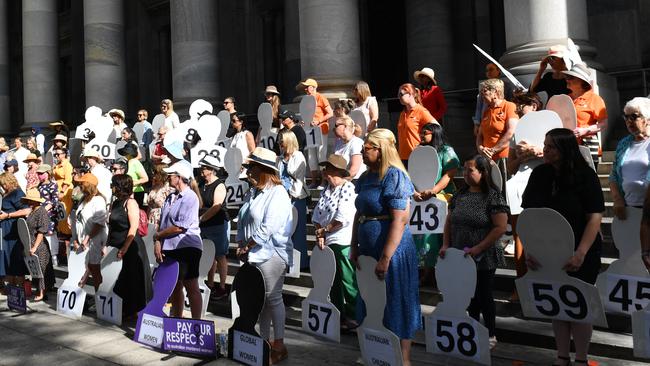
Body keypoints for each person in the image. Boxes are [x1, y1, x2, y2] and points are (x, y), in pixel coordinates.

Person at [522, 128, 604, 366]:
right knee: (557, 304)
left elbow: (595, 217)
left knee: (579, 305)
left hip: (583, 249)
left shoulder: (585, 175)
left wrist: (581, 253)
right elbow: (530, 216)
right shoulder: (540, 175)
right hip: (547, 251)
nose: (545, 150)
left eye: (551, 147)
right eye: (545, 145)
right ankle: (561, 356)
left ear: (565, 149)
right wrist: (530, 249)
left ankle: (580, 358)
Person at [351, 128, 420, 365]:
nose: (362, 151)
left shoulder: (395, 176)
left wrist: (386, 257)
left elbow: (400, 219)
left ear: (380, 151)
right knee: (370, 298)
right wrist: (354, 245)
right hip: (367, 249)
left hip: (393, 251)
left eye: (367, 148)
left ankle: (403, 359)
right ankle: (375, 352)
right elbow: (359, 213)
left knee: (395, 299)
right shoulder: (364, 178)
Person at [439, 155, 509, 350]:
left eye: (470, 170)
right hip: (460, 254)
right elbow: (449, 221)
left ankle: (491, 333)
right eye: (464, 170)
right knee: (467, 294)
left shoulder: (493, 197)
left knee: (483, 293)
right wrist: (446, 244)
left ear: (483, 172)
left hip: (484, 254)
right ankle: (472, 329)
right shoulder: (459, 195)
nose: (465, 174)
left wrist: (478, 248)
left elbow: (500, 227)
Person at [236, 147, 293, 363]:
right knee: (260, 300)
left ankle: (279, 344)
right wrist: (241, 243)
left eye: (251, 167)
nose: (248, 170)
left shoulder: (278, 193)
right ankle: (265, 340)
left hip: (272, 253)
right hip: (253, 253)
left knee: (273, 298)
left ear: (263, 169)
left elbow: (270, 226)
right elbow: (242, 220)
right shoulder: (253, 192)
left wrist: (248, 245)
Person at [312, 154, 359, 330]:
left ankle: (355, 314)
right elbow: (317, 214)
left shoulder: (348, 188)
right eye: (325, 169)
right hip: (328, 240)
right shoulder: (326, 190)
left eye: (328, 169)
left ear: (337, 171)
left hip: (343, 240)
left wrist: (324, 230)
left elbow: (343, 217)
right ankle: (339, 314)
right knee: (333, 281)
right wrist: (320, 233)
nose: (324, 172)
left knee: (348, 280)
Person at [154, 160, 204, 319]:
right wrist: (158, 242)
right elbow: (162, 224)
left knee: (191, 285)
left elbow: (180, 227)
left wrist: (159, 236)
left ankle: (197, 323)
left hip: (187, 247)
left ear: (180, 177)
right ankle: (176, 320)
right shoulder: (170, 198)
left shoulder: (191, 197)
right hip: (171, 247)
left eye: (171, 175)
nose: (168, 177)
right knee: (175, 286)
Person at [413, 123, 460, 284]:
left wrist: (433, 191)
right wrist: (415, 192)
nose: (421, 135)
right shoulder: (418, 151)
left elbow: (449, 175)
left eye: (425, 133)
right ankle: (425, 270)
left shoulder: (446, 151)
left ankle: (438, 271)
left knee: (433, 234)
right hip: (420, 196)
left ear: (434, 133)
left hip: (442, 194)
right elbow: (413, 173)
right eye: (421, 132)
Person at [108, 174, 147, 319]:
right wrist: (107, 245)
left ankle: (132, 311)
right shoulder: (116, 203)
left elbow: (133, 227)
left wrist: (124, 248)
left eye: (113, 184)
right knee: (118, 278)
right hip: (115, 245)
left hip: (130, 247)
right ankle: (122, 308)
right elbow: (111, 226)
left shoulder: (131, 203)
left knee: (131, 279)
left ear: (119, 186)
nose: (111, 187)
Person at [609, 97, 650, 220]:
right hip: (629, 209)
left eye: (634, 116)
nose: (628, 121)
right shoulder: (623, 144)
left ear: (647, 119)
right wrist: (617, 199)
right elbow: (613, 175)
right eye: (626, 117)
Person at [476, 78, 519, 188]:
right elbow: (480, 135)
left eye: (484, 92)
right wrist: (481, 148)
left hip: (503, 159)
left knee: (504, 192)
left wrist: (493, 150)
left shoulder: (509, 106)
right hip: (488, 160)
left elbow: (511, 133)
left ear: (495, 92)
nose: (481, 95)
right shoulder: (486, 111)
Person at [562, 63, 607, 165]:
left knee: (587, 178)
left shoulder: (594, 98)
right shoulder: (565, 98)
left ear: (581, 81)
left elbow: (604, 123)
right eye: (566, 77)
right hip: (566, 145)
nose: (567, 79)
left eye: (571, 77)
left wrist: (585, 130)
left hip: (587, 145)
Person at [198, 156, 230, 299]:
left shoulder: (219, 185)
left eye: (204, 167)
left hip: (217, 225)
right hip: (204, 225)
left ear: (211, 169)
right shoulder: (201, 184)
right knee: (208, 255)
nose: (201, 170)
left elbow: (216, 206)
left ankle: (222, 287)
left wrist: (202, 218)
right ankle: (209, 284)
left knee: (220, 255)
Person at [277, 129, 309, 269]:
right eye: (279, 142)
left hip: (296, 198)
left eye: (282, 142)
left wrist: (290, 194)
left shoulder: (298, 156)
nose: (280, 145)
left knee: (298, 231)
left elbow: (298, 179)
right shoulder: (279, 158)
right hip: (282, 198)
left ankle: (300, 264)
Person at [72, 173, 108, 291]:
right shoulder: (84, 199)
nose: (80, 186)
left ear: (88, 185)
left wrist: (87, 239)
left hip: (95, 239)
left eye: (82, 183)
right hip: (84, 240)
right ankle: (81, 292)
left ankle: (98, 294)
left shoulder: (98, 200)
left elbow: (99, 223)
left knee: (95, 268)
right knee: (87, 267)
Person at [298, 78, 333, 188]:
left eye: (307, 86)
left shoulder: (320, 97)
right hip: (310, 130)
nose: (305, 89)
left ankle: (323, 181)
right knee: (311, 155)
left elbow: (330, 113)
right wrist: (304, 121)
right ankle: (314, 181)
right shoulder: (306, 99)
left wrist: (319, 121)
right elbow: (306, 114)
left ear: (313, 87)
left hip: (320, 129)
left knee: (321, 155)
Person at [22, 189, 55, 301]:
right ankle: (39, 290)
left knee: (42, 269)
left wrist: (35, 246)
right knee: (36, 269)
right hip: (31, 242)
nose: (29, 202)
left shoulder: (41, 211)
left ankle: (42, 292)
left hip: (39, 245)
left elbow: (42, 231)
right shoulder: (33, 211)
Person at [0, 172, 31, 287]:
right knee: (8, 259)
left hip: (13, 230)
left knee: (15, 259)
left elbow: (26, 210)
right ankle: (11, 289)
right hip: (5, 231)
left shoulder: (17, 193)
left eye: (3, 183)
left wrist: (8, 215)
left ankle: (18, 289)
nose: (2, 186)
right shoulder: (6, 194)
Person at [396, 83, 438, 167]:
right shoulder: (402, 114)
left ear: (410, 94)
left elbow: (436, 127)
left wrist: (425, 142)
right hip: (402, 157)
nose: (399, 97)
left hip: (416, 155)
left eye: (401, 94)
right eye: (398, 95)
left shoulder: (421, 111)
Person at [37, 164, 62, 266]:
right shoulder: (39, 186)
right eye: (38, 173)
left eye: (41, 173)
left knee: (50, 234)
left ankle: (54, 256)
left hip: (49, 215)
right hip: (39, 213)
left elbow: (55, 200)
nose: (39, 175)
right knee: (41, 234)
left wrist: (48, 207)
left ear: (47, 173)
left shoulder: (53, 185)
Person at [333, 115, 366, 180]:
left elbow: (353, 171)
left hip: (354, 181)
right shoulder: (338, 142)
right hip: (340, 181)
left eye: (336, 125)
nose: (334, 128)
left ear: (345, 127)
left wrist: (341, 182)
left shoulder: (356, 143)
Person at [53, 147, 73, 251]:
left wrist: (62, 191)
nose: (56, 156)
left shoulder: (67, 165)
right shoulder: (57, 165)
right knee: (60, 216)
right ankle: (63, 250)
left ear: (64, 154)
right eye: (55, 154)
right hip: (58, 190)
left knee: (64, 214)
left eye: (58, 154)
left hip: (65, 192)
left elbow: (68, 180)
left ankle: (68, 245)